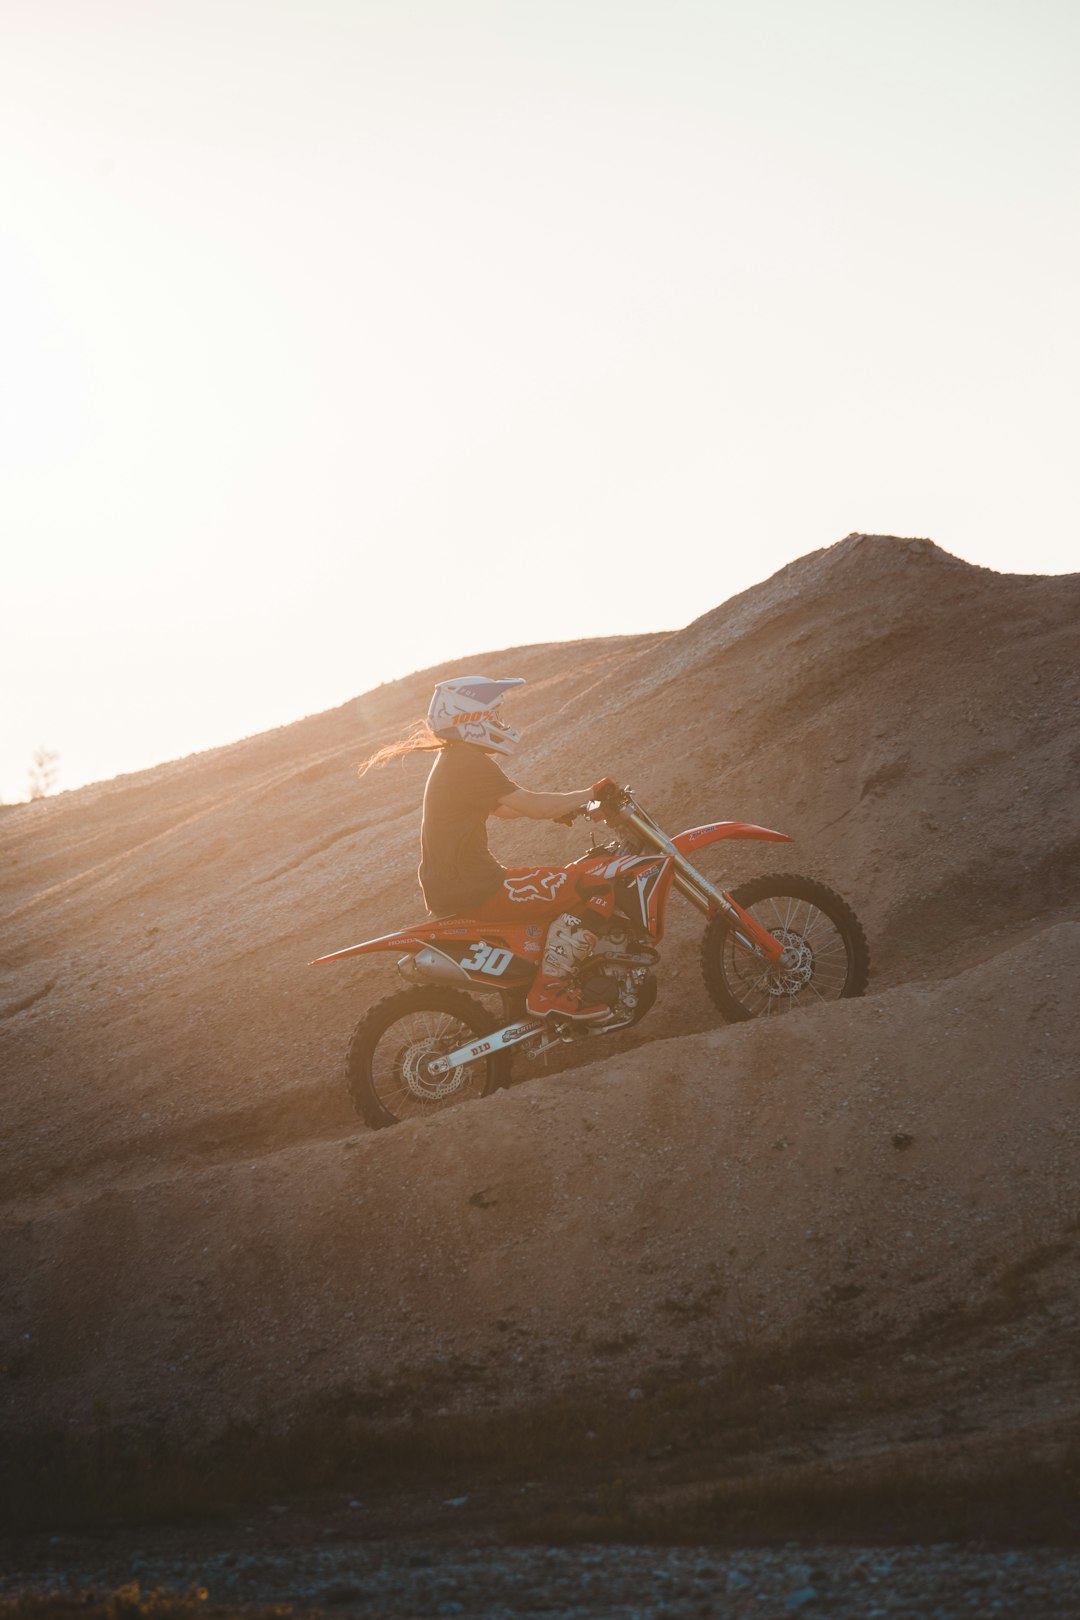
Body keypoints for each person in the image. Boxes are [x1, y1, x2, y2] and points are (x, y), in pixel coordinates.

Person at [359, 675, 613, 1021]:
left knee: (558, 888)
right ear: (469, 719)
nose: (498, 723)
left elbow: (507, 809)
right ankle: (550, 993)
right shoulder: (467, 762)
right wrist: (592, 794)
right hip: (478, 887)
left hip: (453, 888)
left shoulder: (454, 760)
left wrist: (564, 809)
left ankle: (531, 986)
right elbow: (533, 804)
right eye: (492, 716)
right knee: (593, 885)